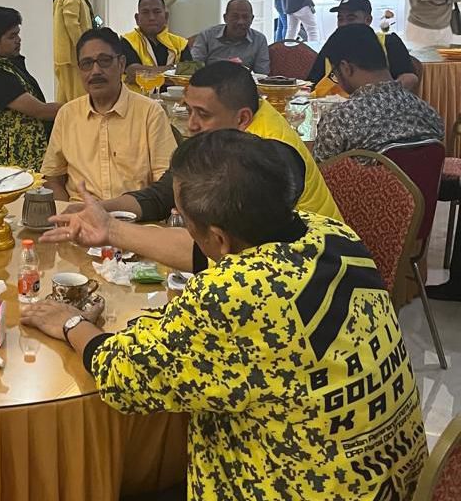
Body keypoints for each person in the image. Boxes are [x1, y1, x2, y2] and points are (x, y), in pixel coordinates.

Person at [23, 130, 427, 500]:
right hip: (387, 480)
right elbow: (207, 253)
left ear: (218, 236)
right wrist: (112, 229)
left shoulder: (233, 297)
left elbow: (123, 373)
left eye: (186, 220)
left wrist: (71, 322)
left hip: (307, 486)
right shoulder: (330, 233)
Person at [61, 62, 342, 270]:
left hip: (314, 266)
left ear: (242, 118)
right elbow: (164, 193)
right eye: (188, 110)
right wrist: (101, 211)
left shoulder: (267, 158)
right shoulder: (230, 138)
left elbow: (227, 253)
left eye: (203, 114)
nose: (191, 125)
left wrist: (112, 229)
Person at [41, 28, 176, 202]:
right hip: (80, 214)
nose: (95, 71)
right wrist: (67, 212)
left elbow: (166, 183)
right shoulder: (67, 114)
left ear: (121, 64)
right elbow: (52, 178)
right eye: (87, 63)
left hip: (134, 215)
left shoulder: (150, 113)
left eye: (104, 61)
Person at [313, 24, 444, 162]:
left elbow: (318, 171)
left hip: (361, 178)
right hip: (424, 177)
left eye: (335, 73)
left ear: (346, 68)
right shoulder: (428, 112)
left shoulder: (339, 119)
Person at [0, 6, 59, 169]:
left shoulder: (6, 64)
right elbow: (40, 111)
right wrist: (80, 107)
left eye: (18, 34)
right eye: (12, 36)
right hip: (18, 163)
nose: (18, 40)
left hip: (29, 149)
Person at [309, 0, 420, 95]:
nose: (344, 24)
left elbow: (410, 78)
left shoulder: (388, 42)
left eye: (351, 18)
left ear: (368, 20)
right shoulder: (333, 43)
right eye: (340, 19)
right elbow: (312, 81)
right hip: (328, 105)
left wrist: (382, 95)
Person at [52, 0, 97, 105]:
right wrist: (84, 48)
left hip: (68, 55)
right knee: (78, 97)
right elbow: (71, 23)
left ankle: (62, 118)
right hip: (72, 55)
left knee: (65, 96)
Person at [120, 0, 192, 79]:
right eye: (145, 12)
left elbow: (188, 73)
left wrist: (152, 72)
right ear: (137, 18)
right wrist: (173, 70)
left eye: (157, 12)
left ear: (166, 17)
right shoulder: (127, 41)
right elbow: (133, 72)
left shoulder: (180, 44)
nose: (152, 17)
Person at [190, 0, 270, 73]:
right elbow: (194, 67)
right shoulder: (207, 36)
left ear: (252, 19)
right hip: (210, 81)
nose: (240, 22)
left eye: (245, 17)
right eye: (235, 17)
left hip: (243, 82)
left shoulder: (259, 40)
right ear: (225, 18)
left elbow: (262, 73)